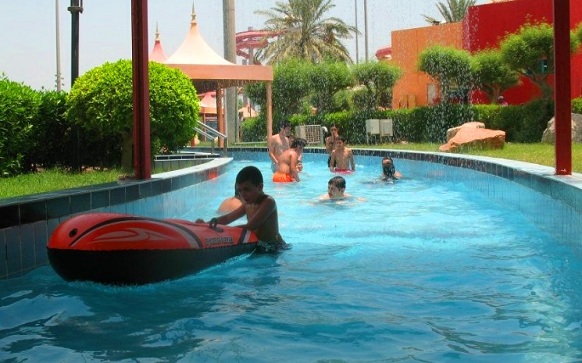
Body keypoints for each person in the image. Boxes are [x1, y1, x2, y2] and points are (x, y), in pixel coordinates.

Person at [196, 166, 287, 252]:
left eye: (246, 189)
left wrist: (222, 233)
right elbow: (228, 218)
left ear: (260, 187)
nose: (243, 194)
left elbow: (250, 227)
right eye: (240, 190)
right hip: (260, 246)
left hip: (274, 248)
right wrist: (207, 224)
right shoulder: (247, 204)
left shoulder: (268, 203)